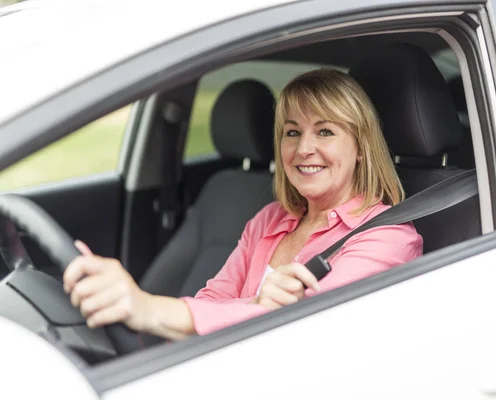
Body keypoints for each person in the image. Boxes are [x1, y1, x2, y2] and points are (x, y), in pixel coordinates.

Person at [62, 69, 423, 341]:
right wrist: (253, 308)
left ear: (360, 148)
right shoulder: (270, 219)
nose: (303, 149)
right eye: (292, 132)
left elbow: (305, 336)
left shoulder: (386, 239)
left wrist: (150, 309)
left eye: (325, 131)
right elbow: (213, 297)